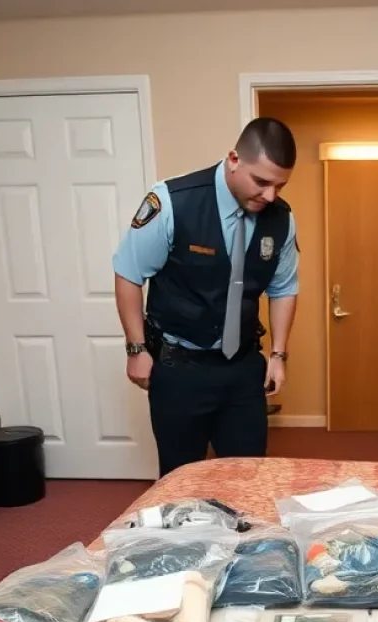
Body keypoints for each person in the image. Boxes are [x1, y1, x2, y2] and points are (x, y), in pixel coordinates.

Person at [113, 117, 299, 477]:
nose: (270, 195)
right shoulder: (172, 201)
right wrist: (136, 350)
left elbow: (284, 287)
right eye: (261, 182)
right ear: (234, 160)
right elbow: (128, 274)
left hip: (243, 369)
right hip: (179, 368)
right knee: (181, 480)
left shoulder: (281, 220)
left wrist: (278, 354)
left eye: (280, 185)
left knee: (248, 478)